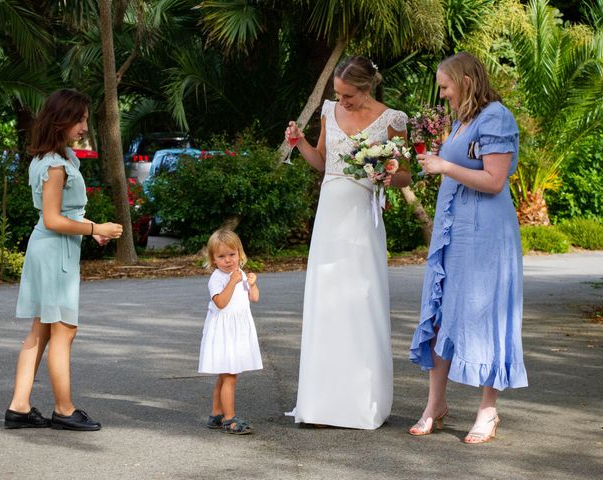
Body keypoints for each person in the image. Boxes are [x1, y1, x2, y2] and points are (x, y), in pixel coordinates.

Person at [284, 56, 411, 429]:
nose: (342, 102)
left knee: (361, 301)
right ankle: (322, 403)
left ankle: (362, 403)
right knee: (327, 303)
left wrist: (387, 175)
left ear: (367, 87)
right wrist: (299, 142)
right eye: (338, 95)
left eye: (348, 96)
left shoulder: (394, 120)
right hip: (329, 217)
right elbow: (323, 164)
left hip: (362, 220)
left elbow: (405, 175)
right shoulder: (328, 111)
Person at [409, 51, 528, 443]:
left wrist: (444, 166)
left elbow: (494, 180)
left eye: (445, 86)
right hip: (452, 231)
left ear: (466, 81)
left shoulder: (496, 117)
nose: (442, 94)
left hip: (485, 233)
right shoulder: (463, 120)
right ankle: (435, 404)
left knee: (484, 313)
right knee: (442, 311)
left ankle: (488, 410)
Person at [4, 89, 123, 431]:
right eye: (80, 119)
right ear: (60, 121)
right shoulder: (55, 165)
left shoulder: (54, 158)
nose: (85, 126)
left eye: (85, 118)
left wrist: (89, 230)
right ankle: (64, 410)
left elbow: (58, 216)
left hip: (51, 247)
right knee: (64, 331)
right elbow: (55, 219)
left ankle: (20, 406)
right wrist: (94, 227)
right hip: (55, 251)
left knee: (42, 329)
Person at [198, 229, 262, 435]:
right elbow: (221, 303)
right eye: (221, 256)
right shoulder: (217, 279)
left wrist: (252, 285)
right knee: (229, 376)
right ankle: (229, 418)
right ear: (213, 260)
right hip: (223, 332)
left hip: (238, 331)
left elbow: (254, 298)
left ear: (240, 254)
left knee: (225, 375)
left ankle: (216, 413)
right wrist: (233, 283)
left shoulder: (240, 273)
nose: (228, 260)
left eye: (232, 255)